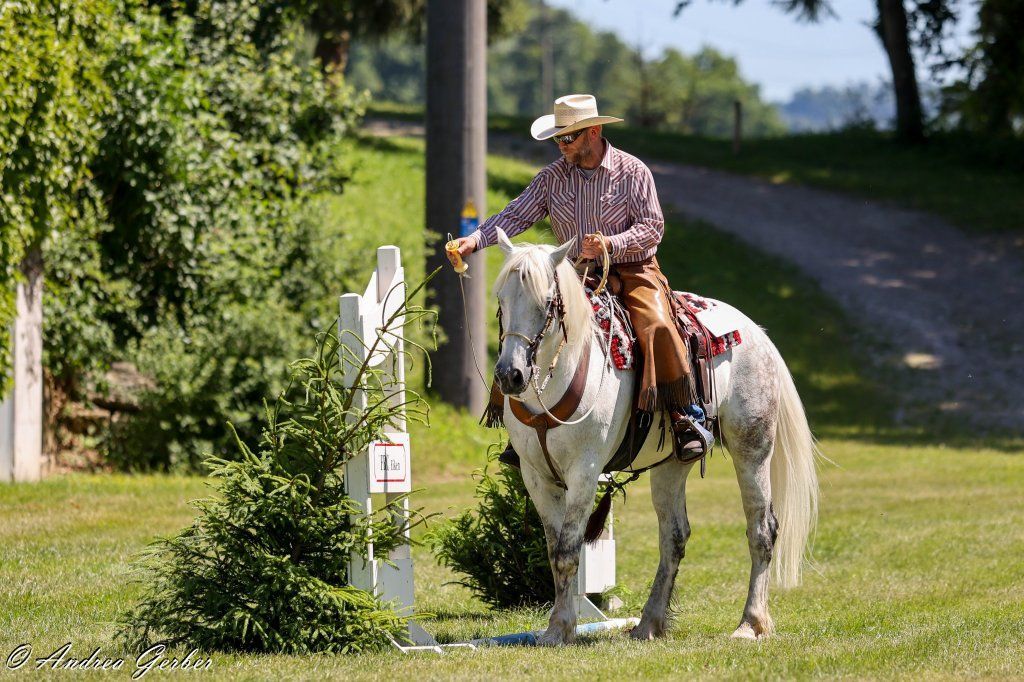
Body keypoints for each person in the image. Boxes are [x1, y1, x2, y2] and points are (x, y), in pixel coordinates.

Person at [446, 93, 713, 465]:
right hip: (574, 275)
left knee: (657, 325)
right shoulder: (551, 178)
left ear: (594, 132)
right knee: (524, 319)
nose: (561, 145)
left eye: (568, 137)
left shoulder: (633, 172)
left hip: (633, 270)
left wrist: (610, 244)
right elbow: (515, 215)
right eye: (558, 138)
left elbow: (653, 229)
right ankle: (517, 424)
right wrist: (474, 240)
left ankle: (684, 416)